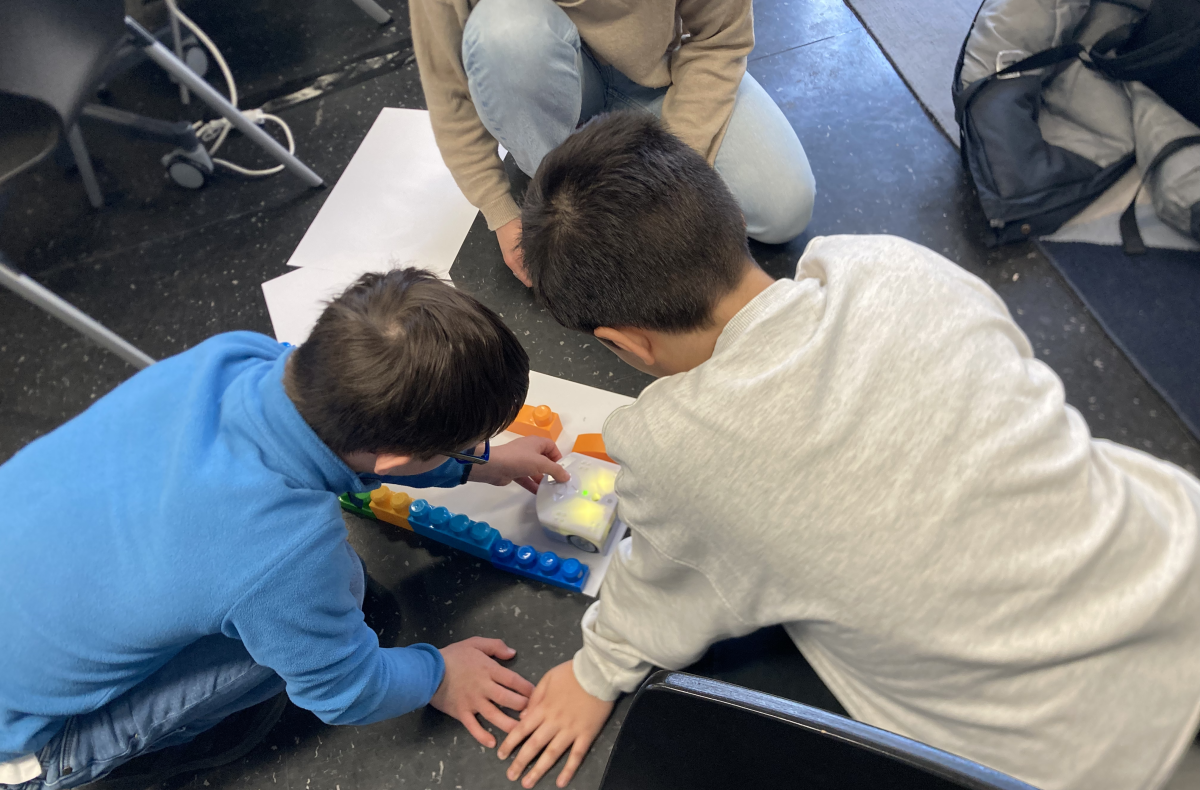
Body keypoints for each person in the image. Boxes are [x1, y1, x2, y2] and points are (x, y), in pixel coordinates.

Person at [496, 112, 1200, 790]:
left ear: (625, 343)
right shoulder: (890, 265)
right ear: (733, 218)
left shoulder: (670, 445)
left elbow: (659, 596)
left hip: (1085, 759)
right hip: (1178, 564)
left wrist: (593, 674)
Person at [0, 270, 569, 790]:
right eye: (466, 448)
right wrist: (437, 673)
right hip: (30, 741)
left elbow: (363, 444)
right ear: (396, 458)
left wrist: (477, 463)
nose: (475, 454)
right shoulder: (286, 555)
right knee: (322, 609)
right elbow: (345, 691)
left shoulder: (234, 357)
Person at [410, 0, 816, 286]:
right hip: (545, 73)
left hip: (662, 74)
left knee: (785, 209)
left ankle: (583, 156)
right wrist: (498, 208)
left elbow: (719, 39)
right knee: (507, 34)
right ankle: (551, 160)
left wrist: (679, 167)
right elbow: (448, 87)